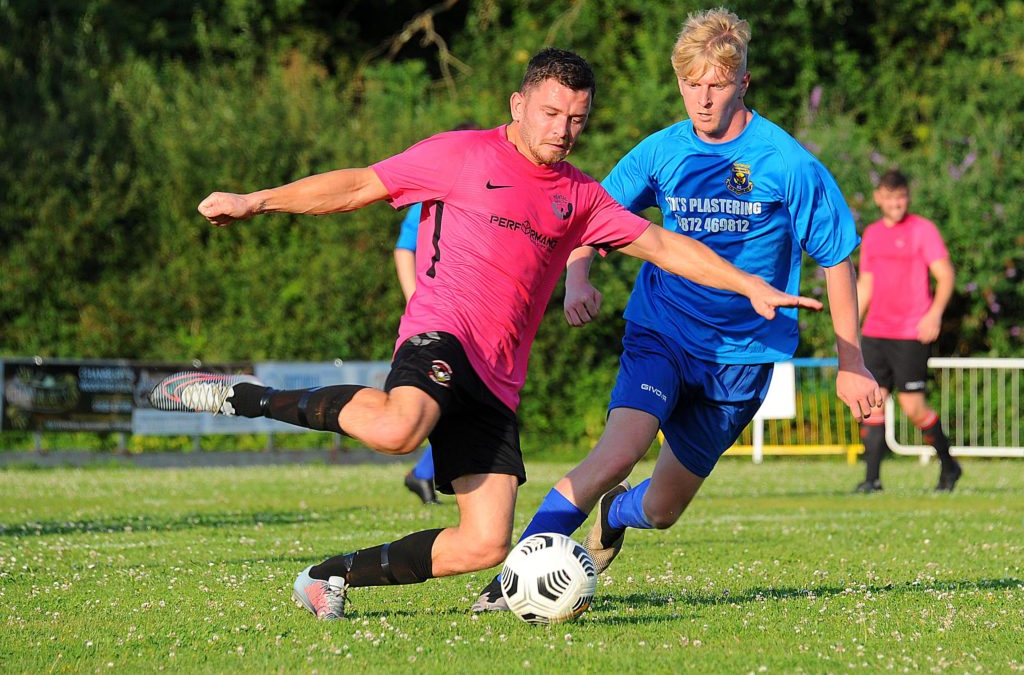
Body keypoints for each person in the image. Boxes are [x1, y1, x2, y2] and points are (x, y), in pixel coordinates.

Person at [148, 47, 823, 621]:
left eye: (577, 119)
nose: (563, 130)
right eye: (553, 113)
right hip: (442, 334)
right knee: (396, 429)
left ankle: (328, 576)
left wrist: (749, 284)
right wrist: (255, 200)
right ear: (519, 103)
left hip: (498, 379)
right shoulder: (460, 155)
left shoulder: (580, 195)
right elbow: (358, 183)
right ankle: (244, 397)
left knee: (485, 543)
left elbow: (661, 244)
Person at [472, 9, 882, 612]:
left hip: (742, 359)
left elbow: (837, 257)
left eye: (717, 84)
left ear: (743, 82)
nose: (703, 97)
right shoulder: (662, 152)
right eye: (691, 84)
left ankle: (616, 514)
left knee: (661, 510)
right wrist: (577, 275)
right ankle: (509, 585)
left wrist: (852, 362)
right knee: (617, 453)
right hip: (661, 330)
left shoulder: (788, 163)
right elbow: (587, 216)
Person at [854, 168, 960, 492]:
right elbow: (865, 285)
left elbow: (945, 275)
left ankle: (950, 466)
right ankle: (872, 480)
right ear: (878, 198)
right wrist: (848, 330)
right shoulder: (871, 234)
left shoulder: (922, 230)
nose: (896, 204)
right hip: (875, 332)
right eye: (890, 197)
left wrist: (934, 315)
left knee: (913, 408)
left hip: (910, 333)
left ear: (907, 197)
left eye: (901, 197)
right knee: (872, 403)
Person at [395, 122, 480, 505]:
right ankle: (425, 472)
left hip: (476, 317)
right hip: (439, 318)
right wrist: (419, 300)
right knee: (440, 396)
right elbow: (403, 249)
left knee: (466, 399)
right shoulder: (436, 192)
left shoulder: (489, 194)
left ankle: (425, 473)